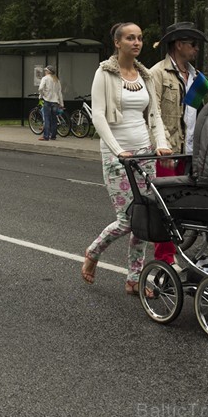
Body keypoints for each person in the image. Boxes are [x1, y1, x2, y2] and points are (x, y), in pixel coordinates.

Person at [81, 22, 172, 294]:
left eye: (140, 38)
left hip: (144, 153)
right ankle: (93, 252)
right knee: (128, 219)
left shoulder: (144, 75)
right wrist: (117, 150)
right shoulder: (104, 74)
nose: (137, 42)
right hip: (117, 157)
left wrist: (162, 144)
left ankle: (134, 279)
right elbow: (98, 115)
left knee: (145, 218)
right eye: (130, 38)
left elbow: (154, 114)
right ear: (117, 43)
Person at [149, 21, 208, 265]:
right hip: (168, 150)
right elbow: (152, 114)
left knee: (184, 206)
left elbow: (197, 113)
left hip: (191, 151)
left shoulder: (197, 77)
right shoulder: (157, 73)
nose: (197, 49)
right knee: (166, 207)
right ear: (179, 44)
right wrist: (160, 146)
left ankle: (176, 252)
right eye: (193, 44)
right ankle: (165, 259)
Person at [37, 65, 64, 141]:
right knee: (54, 119)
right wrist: (62, 104)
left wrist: (41, 95)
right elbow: (59, 93)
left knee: (47, 119)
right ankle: (53, 136)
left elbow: (40, 88)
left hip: (47, 101)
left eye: (45, 71)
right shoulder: (57, 80)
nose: (45, 72)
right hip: (55, 102)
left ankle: (46, 136)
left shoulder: (45, 78)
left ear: (48, 71)